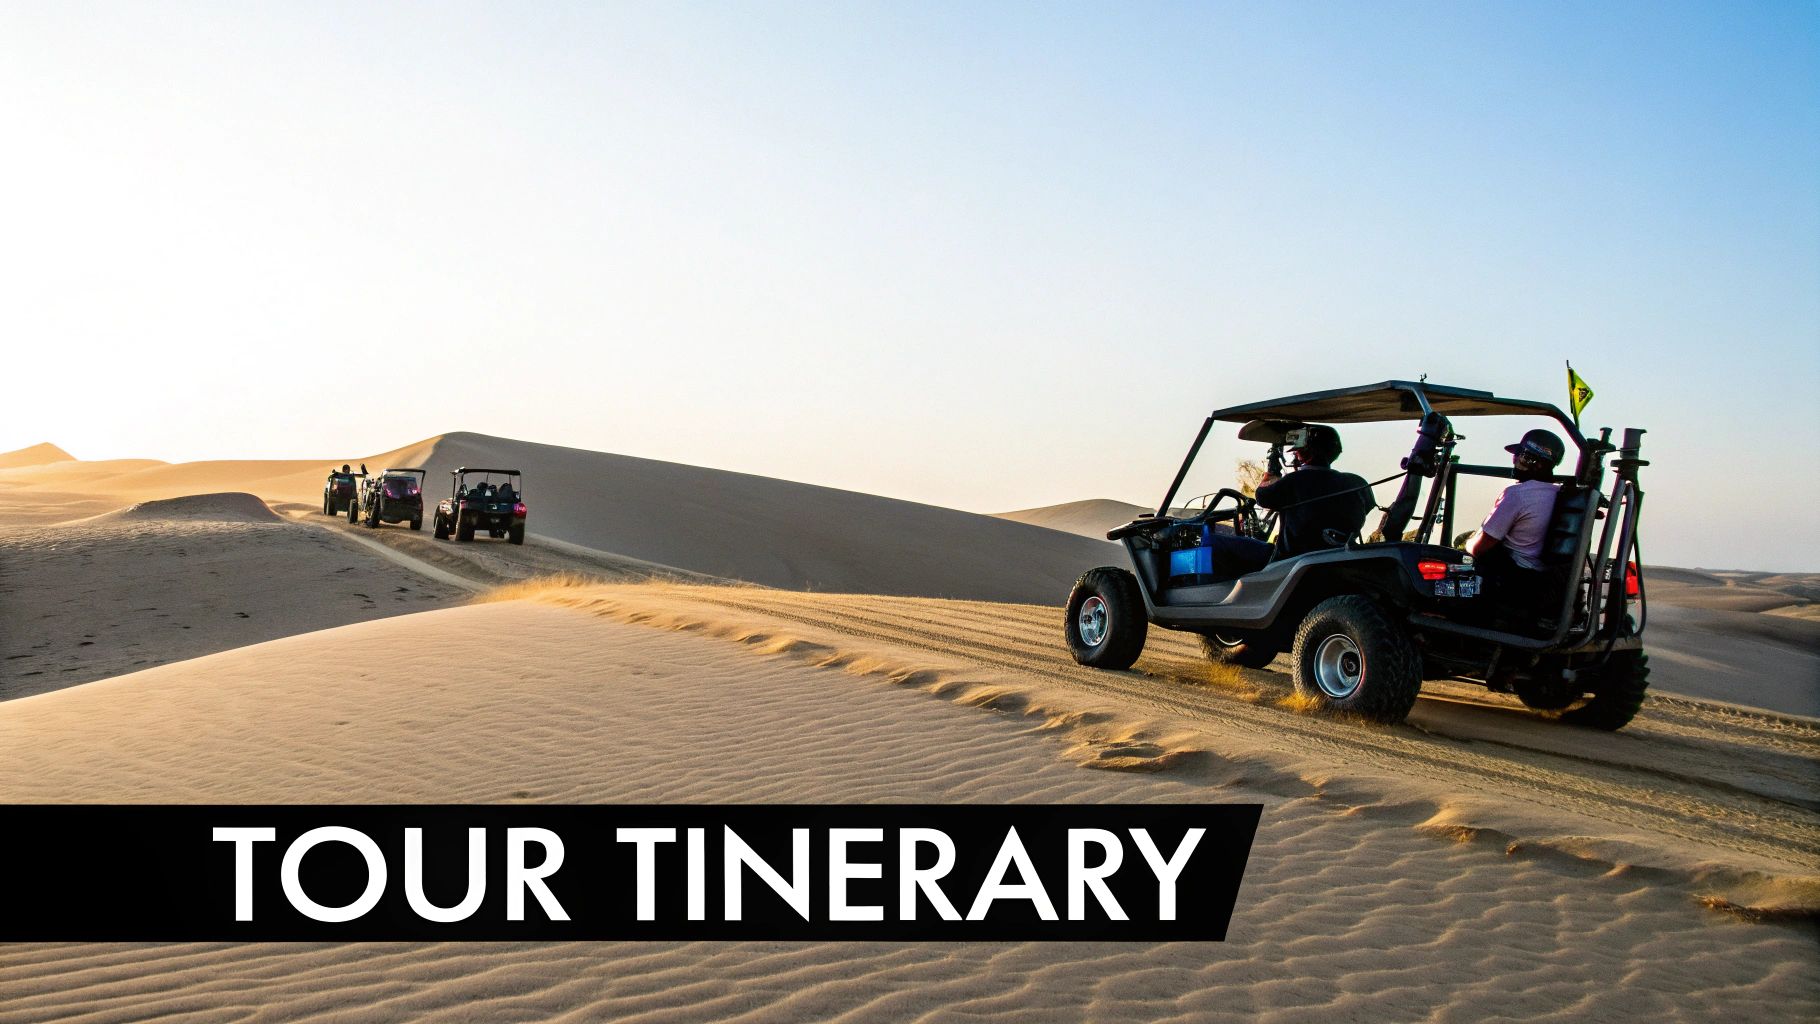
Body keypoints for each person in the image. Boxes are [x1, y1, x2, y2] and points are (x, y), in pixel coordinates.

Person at [1466, 428, 1566, 612]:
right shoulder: (1559, 493)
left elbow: (1478, 548)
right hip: (1542, 582)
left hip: (1513, 582)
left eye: (1519, 456)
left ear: (1531, 460)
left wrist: (1467, 542)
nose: (1514, 461)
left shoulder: (1517, 495)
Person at [1254, 425, 1375, 559]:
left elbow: (1261, 496)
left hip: (1291, 560)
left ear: (1307, 451)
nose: (1295, 453)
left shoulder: (1293, 481)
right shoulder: (1358, 483)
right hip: (1342, 557)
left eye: (1298, 450)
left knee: (1226, 543)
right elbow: (1368, 506)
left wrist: (1271, 474)